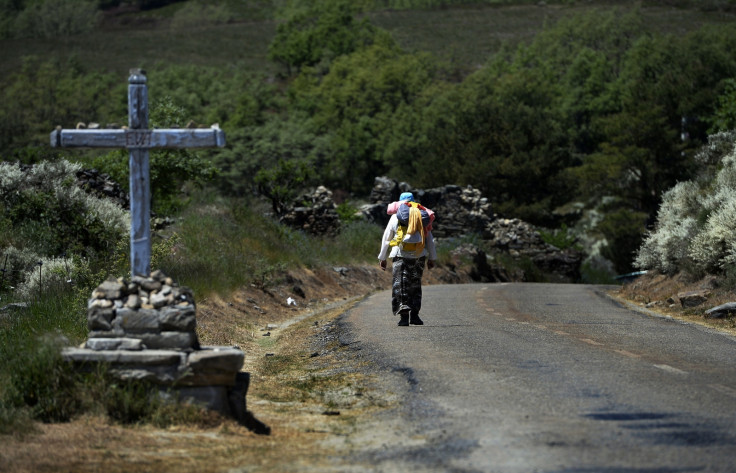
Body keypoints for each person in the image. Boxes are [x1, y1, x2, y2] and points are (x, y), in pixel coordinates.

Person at [378, 192, 437, 326]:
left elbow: (386, 238)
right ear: (413, 202)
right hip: (419, 256)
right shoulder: (421, 216)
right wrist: (432, 258)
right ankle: (415, 316)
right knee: (415, 284)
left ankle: (404, 318)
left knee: (400, 284)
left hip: (400, 255)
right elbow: (429, 239)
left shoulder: (395, 217)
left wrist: (382, 257)